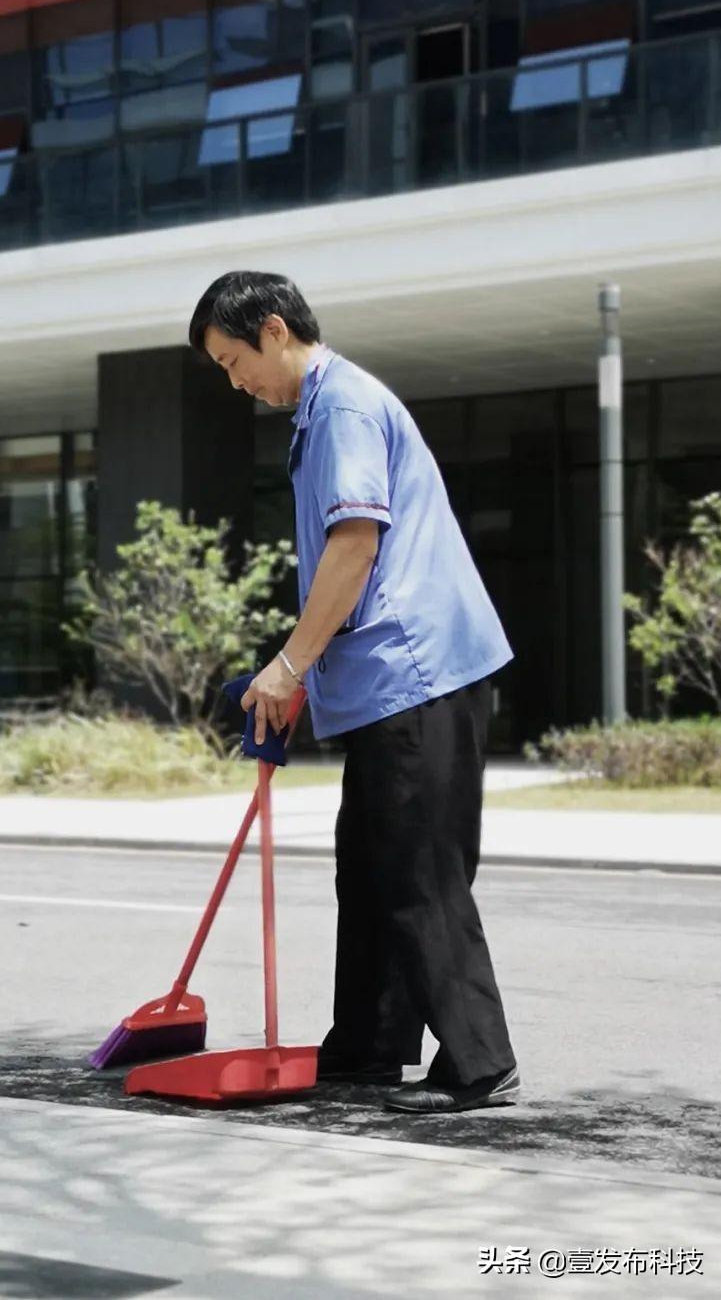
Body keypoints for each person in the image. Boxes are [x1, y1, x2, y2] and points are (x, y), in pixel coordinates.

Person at [188, 270, 520, 1114]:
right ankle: (369, 1047)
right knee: (370, 868)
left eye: (233, 361)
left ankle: (480, 1062)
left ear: (272, 328)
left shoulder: (339, 407)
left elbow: (355, 548)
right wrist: (300, 668)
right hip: (391, 681)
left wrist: (291, 665)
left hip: (418, 673)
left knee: (417, 869)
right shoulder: (321, 414)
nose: (236, 382)